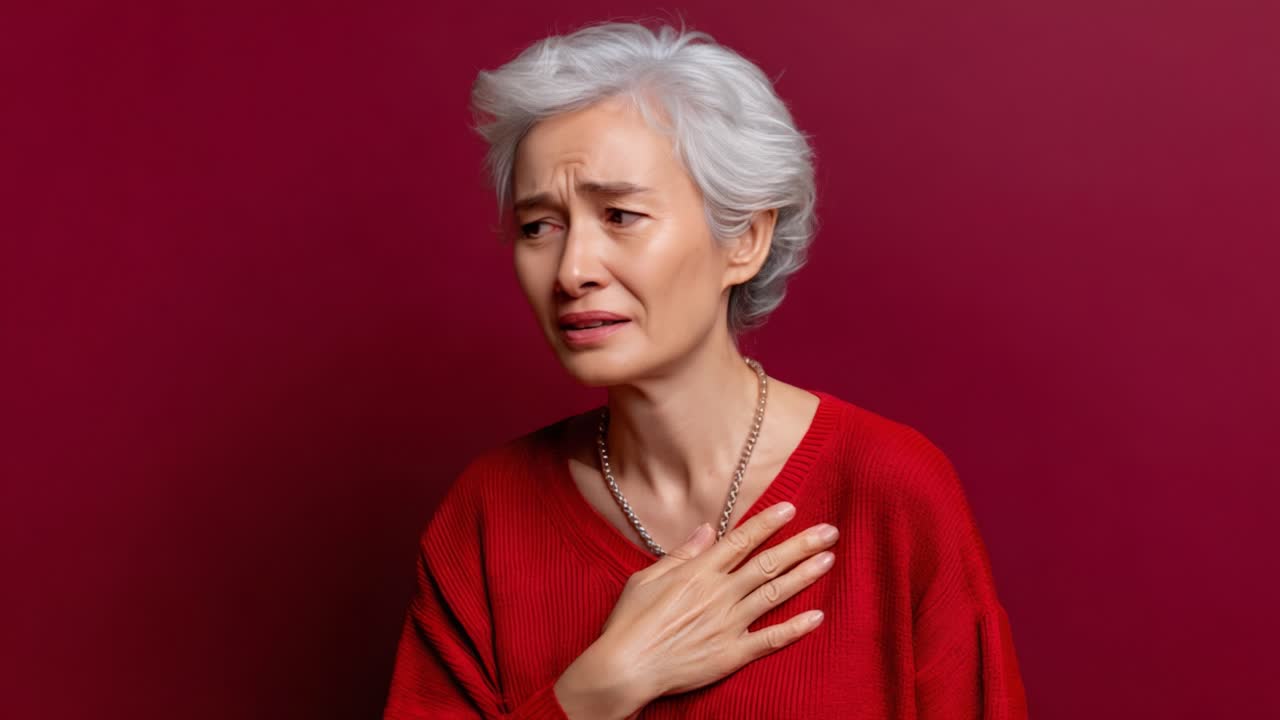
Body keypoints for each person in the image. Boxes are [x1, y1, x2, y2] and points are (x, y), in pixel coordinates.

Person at [383, 19, 1027, 719]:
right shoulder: (487, 515)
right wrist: (597, 690)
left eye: (621, 215)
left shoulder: (892, 490)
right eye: (540, 225)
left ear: (745, 239)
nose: (571, 271)